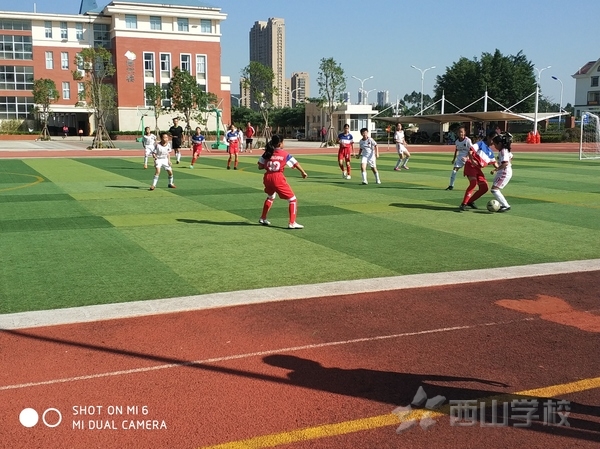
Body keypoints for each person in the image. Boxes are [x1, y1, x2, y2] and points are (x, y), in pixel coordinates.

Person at [257, 135, 308, 229]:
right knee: (292, 199)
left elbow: (260, 166)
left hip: (267, 177)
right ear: (280, 143)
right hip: (278, 177)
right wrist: (303, 172)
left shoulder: (267, 153)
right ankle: (292, 222)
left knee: (271, 196)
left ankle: (263, 218)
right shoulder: (284, 154)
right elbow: (295, 163)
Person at [458, 131, 497, 211]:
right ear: (488, 137)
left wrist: (503, 168)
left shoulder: (490, 152)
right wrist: (472, 160)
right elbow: (470, 151)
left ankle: (470, 201)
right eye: (493, 139)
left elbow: (495, 164)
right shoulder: (481, 144)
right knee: (473, 183)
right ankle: (464, 204)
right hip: (470, 165)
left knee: (484, 188)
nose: (493, 142)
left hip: (477, 169)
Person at [490, 133, 513, 212]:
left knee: (494, 190)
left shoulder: (503, 151)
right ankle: (504, 205)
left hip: (504, 172)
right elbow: (511, 157)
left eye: (495, 144)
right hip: (504, 171)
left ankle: (505, 205)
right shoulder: (505, 150)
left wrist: (495, 169)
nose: (494, 146)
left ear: (499, 144)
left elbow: (505, 163)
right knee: (494, 189)